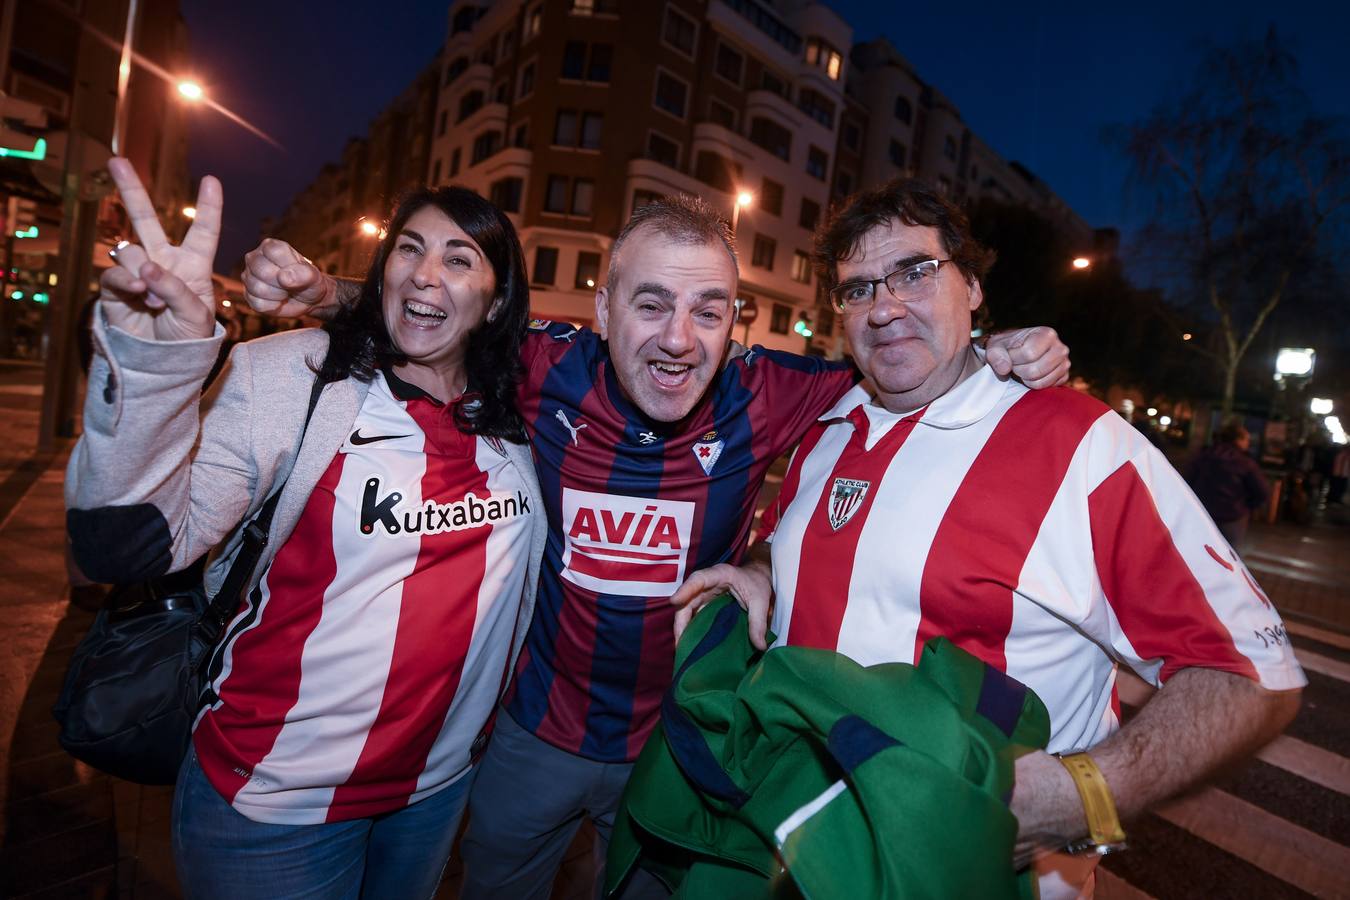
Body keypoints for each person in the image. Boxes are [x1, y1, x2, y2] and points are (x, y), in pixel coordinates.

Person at [242, 196, 1071, 899]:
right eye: (649, 305)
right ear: (602, 311)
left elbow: (909, 359)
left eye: (708, 311)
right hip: (534, 733)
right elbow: (435, 314)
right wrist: (325, 289)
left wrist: (999, 353)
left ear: (733, 324)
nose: (679, 338)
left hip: (674, 742)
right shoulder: (544, 367)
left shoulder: (769, 392)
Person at [673, 178, 1305, 899]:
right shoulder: (829, 428)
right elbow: (816, 556)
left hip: (977, 876)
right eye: (857, 289)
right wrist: (760, 569)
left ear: (972, 286)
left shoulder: (1077, 444)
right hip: (802, 855)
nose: (884, 306)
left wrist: (1088, 793)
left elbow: (1252, 672)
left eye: (914, 272)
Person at [65, 159, 546, 899]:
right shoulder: (293, 377)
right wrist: (159, 364)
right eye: (409, 250)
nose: (424, 274)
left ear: (495, 296)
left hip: (434, 792)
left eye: (460, 258)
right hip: (275, 803)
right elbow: (122, 546)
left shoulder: (519, 414)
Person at [1185, 420, 1271, 550]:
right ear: (1239, 439)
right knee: (1229, 555)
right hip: (1232, 517)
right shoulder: (1245, 462)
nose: (1248, 443)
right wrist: (1246, 505)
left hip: (1202, 513)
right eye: (1246, 439)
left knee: (1198, 550)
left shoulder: (1203, 456)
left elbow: (1188, 481)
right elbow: (1262, 492)